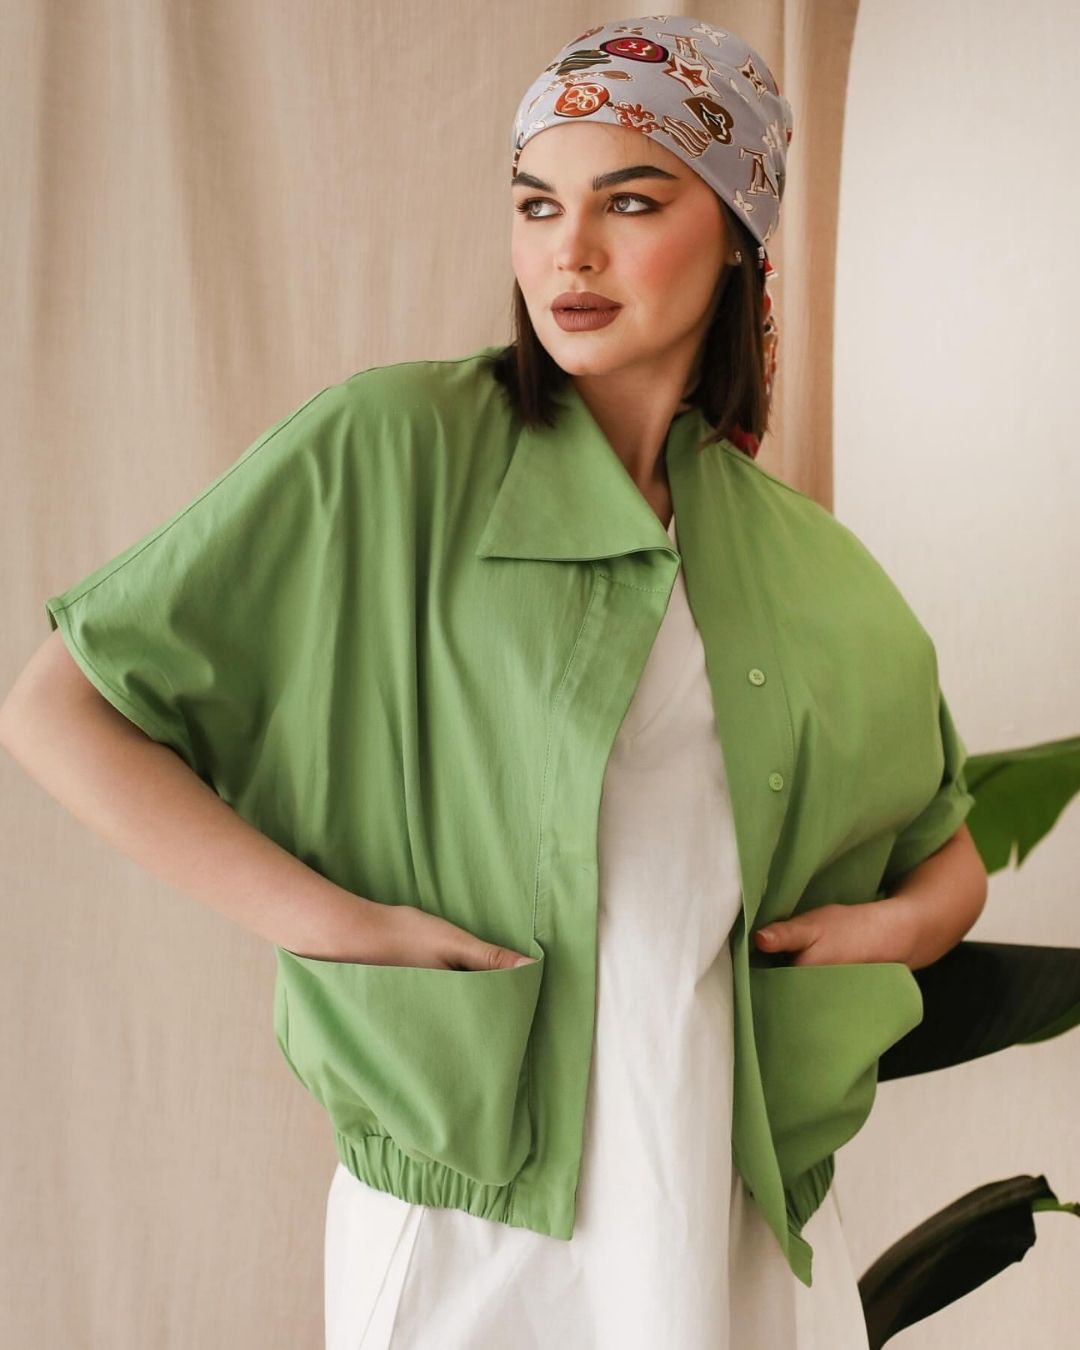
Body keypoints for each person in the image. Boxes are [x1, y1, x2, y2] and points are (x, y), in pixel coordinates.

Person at [0, 15, 988, 1349]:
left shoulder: (805, 558)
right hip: (475, 1213)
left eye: (629, 202)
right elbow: (59, 710)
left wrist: (893, 928)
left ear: (736, 234)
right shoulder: (394, 451)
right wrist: (337, 923)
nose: (567, 252)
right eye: (536, 204)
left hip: (728, 1197)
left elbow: (946, 850)